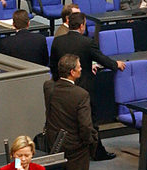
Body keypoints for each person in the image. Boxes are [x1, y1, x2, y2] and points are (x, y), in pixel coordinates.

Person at [49, 12, 125, 160]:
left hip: (63, 87)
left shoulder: (57, 41)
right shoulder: (87, 42)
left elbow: (53, 65)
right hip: (84, 88)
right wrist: (116, 64)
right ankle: (97, 152)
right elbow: (102, 58)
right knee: (90, 120)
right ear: (82, 26)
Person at [44, 55, 97, 170]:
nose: (81, 69)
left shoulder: (48, 88)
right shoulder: (81, 95)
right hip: (77, 149)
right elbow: (85, 126)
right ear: (73, 72)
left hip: (55, 148)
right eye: (79, 66)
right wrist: (90, 141)